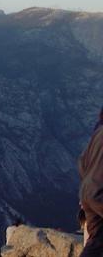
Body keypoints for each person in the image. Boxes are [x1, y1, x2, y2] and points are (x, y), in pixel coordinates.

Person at [79, 107, 103, 257]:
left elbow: (82, 161)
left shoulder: (98, 131)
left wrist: (87, 183)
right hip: (99, 194)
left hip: (88, 193)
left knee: (97, 242)